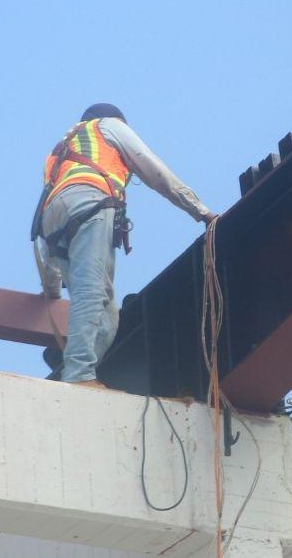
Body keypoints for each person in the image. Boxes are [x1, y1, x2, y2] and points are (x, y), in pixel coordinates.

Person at [30, 102, 217, 387]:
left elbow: (50, 250)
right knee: (92, 291)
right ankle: (79, 374)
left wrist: (52, 288)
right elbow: (155, 171)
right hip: (90, 203)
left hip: (52, 222)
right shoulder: (110, 126)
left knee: (107, 317)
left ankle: (73, 372)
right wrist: (202, 212)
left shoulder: (60, 152)